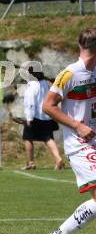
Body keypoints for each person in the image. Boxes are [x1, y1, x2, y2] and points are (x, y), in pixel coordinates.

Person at [43, 27, 96, 234]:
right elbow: (47, 106)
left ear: (79, 45)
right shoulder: (69, 74)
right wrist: (78, 125)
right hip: (80, 144)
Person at [22, 67, 64, 170]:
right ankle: (58, 158)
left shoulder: (32, 86)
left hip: (35, 116)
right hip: (47, 115)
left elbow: (30, 102)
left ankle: (31, 163)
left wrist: (29, 118)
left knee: (28, 138)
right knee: (48, 138)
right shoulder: (45, 83)